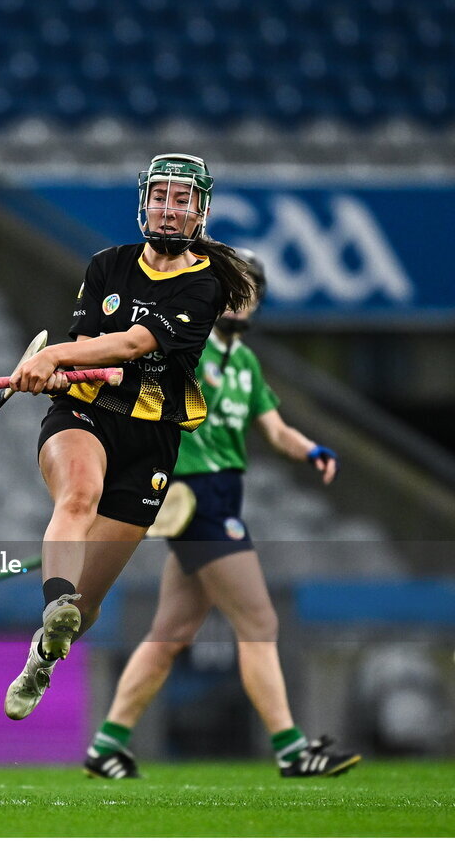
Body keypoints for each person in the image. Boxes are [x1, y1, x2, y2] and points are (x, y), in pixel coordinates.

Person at [83, 253, 361, 780]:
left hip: (223, 498)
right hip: (196, 499)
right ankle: (292, 750)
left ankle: (106, 745)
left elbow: (275, 430)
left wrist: (311, 450)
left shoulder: (246, 363)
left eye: (249, 290)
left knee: (170, 633)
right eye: (231, 288)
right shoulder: (188, 346)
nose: (239, 298)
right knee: (259, 623)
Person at [3, 153, 254, 722]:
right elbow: (86, 343)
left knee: (88, 606)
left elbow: (134, 343)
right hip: (87, 411)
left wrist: (54, 355)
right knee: (78, 497)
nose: (170, 209)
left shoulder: (205, 285)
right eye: (160, 197)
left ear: (200, 212)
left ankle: (44, 654)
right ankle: (54, 604)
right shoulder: (107, 265)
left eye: (182, 200)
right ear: (145, 204)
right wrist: (56, 370)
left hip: (152, 435)